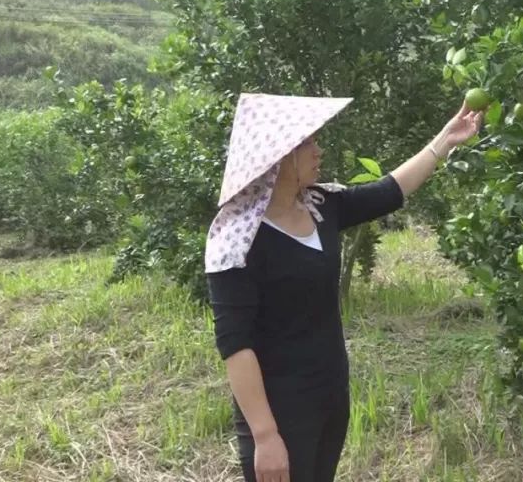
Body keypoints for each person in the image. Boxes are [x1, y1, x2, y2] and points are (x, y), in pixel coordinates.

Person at [204, 93, 482, 482]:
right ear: (279, 155)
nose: (319, 150)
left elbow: (390, 191)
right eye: (309, 142)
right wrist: (265, 436)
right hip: (279, 407)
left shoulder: (320, 204)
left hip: (330, 391)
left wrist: (445, 140)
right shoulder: (236, 238)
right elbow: (236, 346)